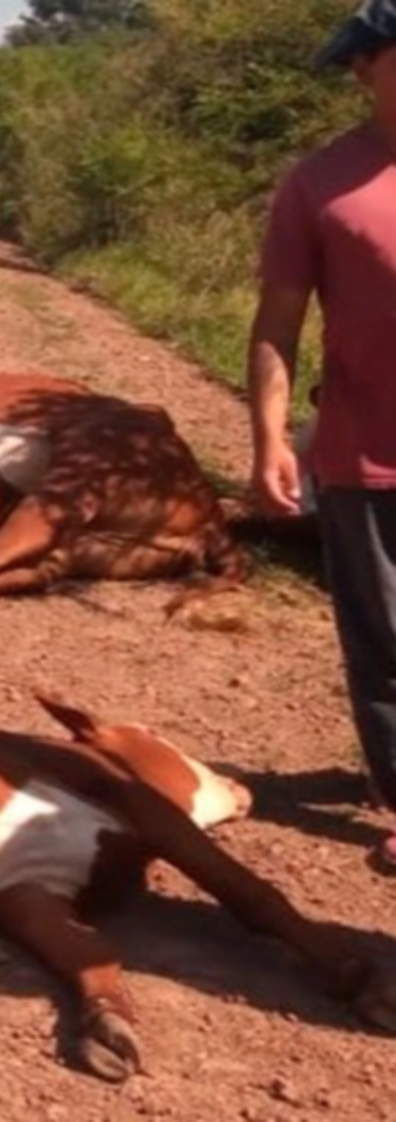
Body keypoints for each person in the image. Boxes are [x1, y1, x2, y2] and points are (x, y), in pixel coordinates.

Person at [247, 0, 396, 872]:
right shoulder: (319, 185)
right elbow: (276, 324)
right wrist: (270, 437)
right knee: (382, 642)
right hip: (361, 452)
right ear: (363, 69)